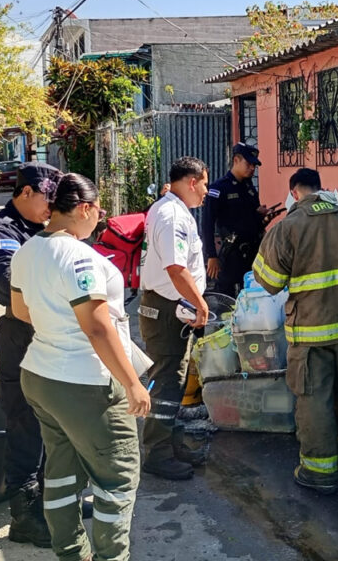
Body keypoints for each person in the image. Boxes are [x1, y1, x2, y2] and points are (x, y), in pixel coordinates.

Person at [10, 173, 151, 561]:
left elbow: (21, 311)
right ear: (85, 208)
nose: (100, 219)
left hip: (40, 374)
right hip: (86, 383)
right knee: (117, 478)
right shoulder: (79, 256)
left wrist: (55, 321)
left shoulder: (27, 250)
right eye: (99, 210)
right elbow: (97, 326)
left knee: (61, 470)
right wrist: (132, 384)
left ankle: (71, 552)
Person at [253, 168, 338, 495]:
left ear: (294, 192)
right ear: (320, 189)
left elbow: (268, 281)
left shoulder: (289, 227)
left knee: (314, 398)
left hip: (310, 333)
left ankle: (319, 471)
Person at [0, 161, 62, 547]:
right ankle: (24, 515)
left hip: (51, 337)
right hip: (21, 340)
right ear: (25, 193)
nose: (51, 208)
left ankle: (51, 503)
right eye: (47, 199)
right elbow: (12, 287)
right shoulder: (1, 232)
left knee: (54, 424)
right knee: (25, 426)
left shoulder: (42, 229)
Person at [138, 156, 211, 481]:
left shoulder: (171, 210)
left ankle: (171, 444)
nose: (207, 192)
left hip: (169, 308)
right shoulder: (172, 216)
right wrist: (201, 304)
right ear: (192, 182)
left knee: (174, 380)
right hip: (167, 310)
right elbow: (176, 268)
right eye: (205, 184)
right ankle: (158, 454)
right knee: (167, 382)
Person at [202, 142, 275, 297]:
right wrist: (211, 256)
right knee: (227, 299)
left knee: (253, 296)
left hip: (254, 253)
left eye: (254, 166)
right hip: (231, 254)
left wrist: (263, 216)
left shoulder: (249, 187)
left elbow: (252, 218)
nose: (252, 168)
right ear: (236, 160)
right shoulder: (219, 188)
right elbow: (207, 224)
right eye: (248, 164)